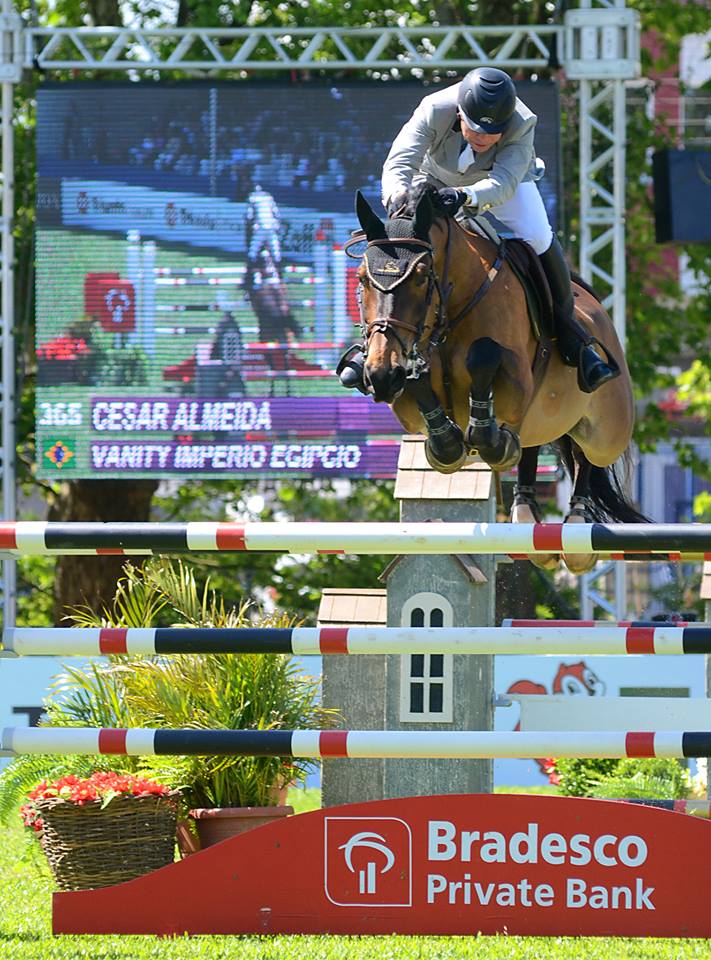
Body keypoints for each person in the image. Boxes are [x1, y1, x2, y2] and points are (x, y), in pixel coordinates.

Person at [340, 67, 618, 394]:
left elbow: (503, 183)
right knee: (402, 244)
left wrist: (466, 196)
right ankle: (370, 348)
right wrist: (398, 200)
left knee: (540, 236)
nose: (482, 138)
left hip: (499, 184)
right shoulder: (434, 107)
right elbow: (400, 163)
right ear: (460, 112)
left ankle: (573, 337)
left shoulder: (522, 121)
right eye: (474, 128)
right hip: (434, 178)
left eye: (492, 132)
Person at [245, 183, 282, 266]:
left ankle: (251, 261)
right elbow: (276, 212)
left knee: (255, 246)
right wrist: (277, 222)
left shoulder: (252, 198)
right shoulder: (268, 197)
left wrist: (250, 223)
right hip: (271, 224)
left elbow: (249, 215)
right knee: (274, 245)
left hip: (261, 225)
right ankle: (278, 262)